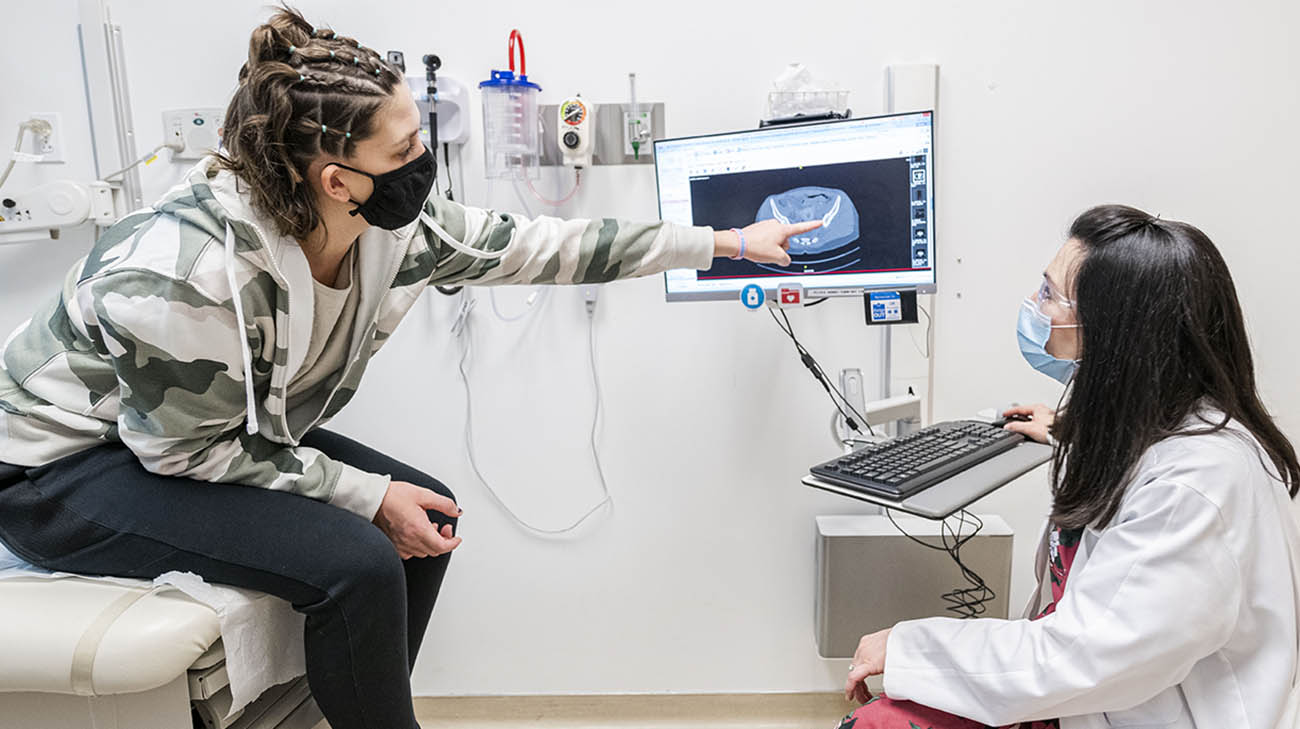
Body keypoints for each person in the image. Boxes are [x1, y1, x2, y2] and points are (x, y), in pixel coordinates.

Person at [0, 8, 819, 729]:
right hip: (58, 470)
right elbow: (181, 454)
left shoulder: (393, 229)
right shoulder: (184, 277)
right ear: (336, 180)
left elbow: (547, 247)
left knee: (429, 515)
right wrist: (365, 496)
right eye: (408, 148)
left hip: (185, 436)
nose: (425, 163)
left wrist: (723, 244)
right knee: (358, 557)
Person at [836, 204, 1300, 729]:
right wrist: (1067, 427)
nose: (1035, 308)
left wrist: (907, 645)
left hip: (1134, 704)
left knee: (883, 722)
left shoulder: (1194, 485)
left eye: (1052, 296)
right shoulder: (1157, 420)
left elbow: (1073, 659)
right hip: (1100, 697)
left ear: (1116, 335)